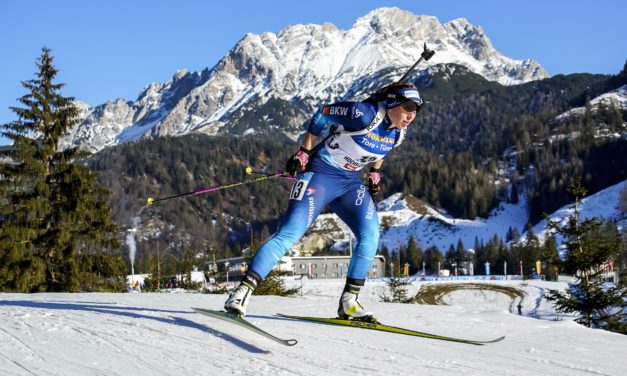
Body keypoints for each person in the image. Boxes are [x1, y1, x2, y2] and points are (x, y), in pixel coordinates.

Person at [224, 82, 424, 321]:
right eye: (407, 107)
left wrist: (374, 173)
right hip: (320, 174)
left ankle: (349, 302)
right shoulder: (362, 114)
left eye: (417, 109)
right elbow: (323, 112)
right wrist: (304, 151)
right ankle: (241, 292)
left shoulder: (399, 132)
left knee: (371, 235)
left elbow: (381, 149)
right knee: (290, 232)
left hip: (350, 183)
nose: (412, 114)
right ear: (391, 103)